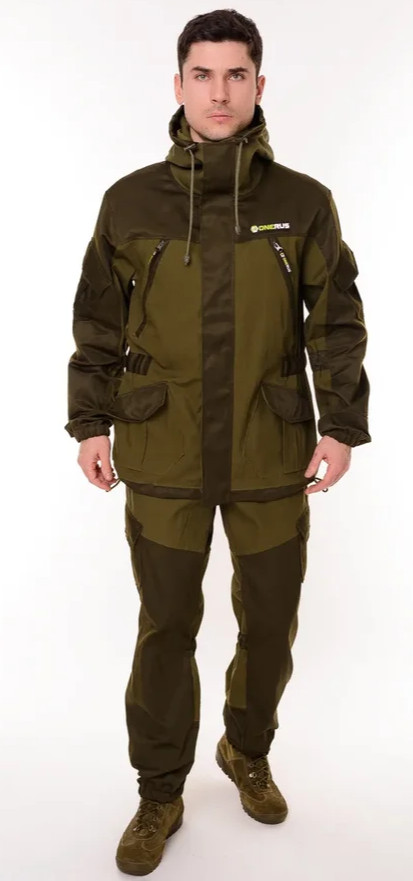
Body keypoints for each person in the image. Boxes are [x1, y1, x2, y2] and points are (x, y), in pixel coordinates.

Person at [64, 8, 371, 876]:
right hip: (160, 446)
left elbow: (335, 321)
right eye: (202, 74)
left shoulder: (302, 203)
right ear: (178, 85)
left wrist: (340, 424)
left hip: (270, 447)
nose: (219, 91)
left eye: (236, 74)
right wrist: (90, 421)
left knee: (269, 619)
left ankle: (246, 748)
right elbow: (98, 320)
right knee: (166, 624)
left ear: (259, 84)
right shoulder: (129, 202)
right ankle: (159, 789)